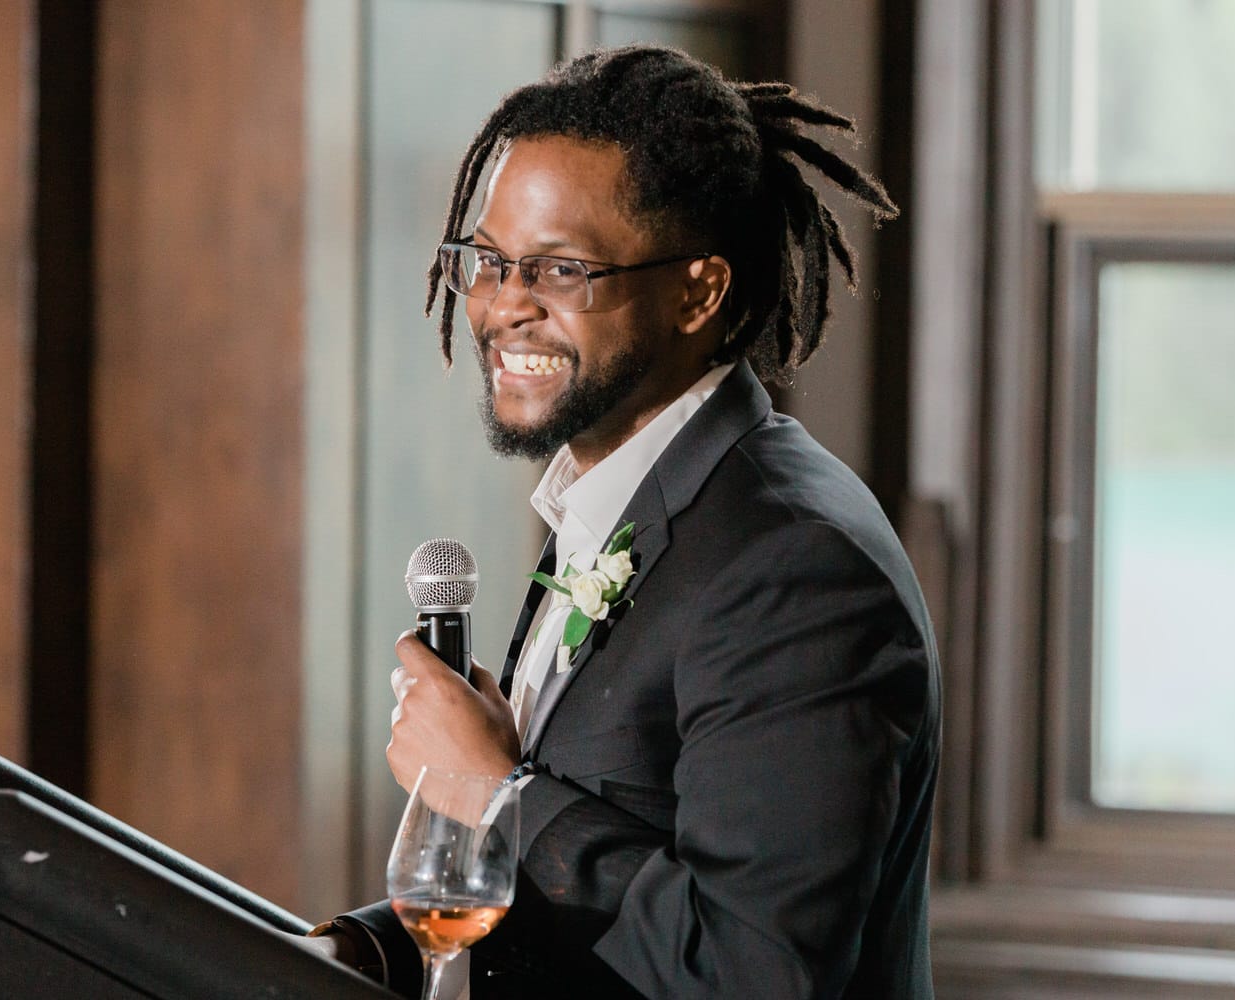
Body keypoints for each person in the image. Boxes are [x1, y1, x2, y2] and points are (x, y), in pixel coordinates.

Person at [310, 44, 941, 999]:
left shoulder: (798, 567)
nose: (503, 304)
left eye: (559, 269)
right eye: (488, 259)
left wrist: (496, 795)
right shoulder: (614, 496)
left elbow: (758, 973)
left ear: (699, 290)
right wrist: (353, 951)